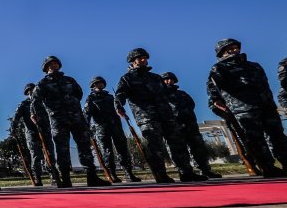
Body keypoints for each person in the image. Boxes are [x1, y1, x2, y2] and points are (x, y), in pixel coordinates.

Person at [116, 48, 206, 183]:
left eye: (145, 58)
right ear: (132, 61)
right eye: (139, 58)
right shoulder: (127, 78)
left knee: (178, 144)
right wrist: (119, 106)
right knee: (155, 146)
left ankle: (186, 172)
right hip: (147, 116)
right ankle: (161, 175)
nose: (143, 60)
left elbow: (168, 94)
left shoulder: (155, 77)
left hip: (166, 115)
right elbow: (120, 94)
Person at [207, 39, 287, 178]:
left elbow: (265, 85)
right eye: (229, 49)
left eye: (235, 47)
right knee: (256, 140)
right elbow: (214, 93)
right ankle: (268, 168)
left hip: (267, 107)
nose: (234, 50)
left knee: (278, 136)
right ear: (221, 52)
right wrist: (223, 109)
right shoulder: (219, 68)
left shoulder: (254, 66)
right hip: (244, 110)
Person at [31, 56, 111, 188]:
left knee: (84, 146)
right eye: (50, 64)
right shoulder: (42, 84)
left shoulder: (69, 80)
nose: (53, 65)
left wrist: (71, 104)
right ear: (46, 68)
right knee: (62, 148)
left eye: (55, 63)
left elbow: (78, 94)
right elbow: (36, 101)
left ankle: (92, 177)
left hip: (76, 117)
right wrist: (36, 114)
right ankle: (66, 179)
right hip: (58, 119)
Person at [161, 72, 222, 179]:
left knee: (199, 148)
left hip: (190, 124)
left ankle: (205, 170)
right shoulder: (161, 96)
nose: (169, 81)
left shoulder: (182, 94)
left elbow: (191, 104)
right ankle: (185, 172)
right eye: (166, 79)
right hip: (174, 126)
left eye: (171, 79)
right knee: (179, 150)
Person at [83, 76, 140, 183]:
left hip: (116, 126)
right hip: (101, 128)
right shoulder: (91, 98)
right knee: (106, 151)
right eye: (96, 84)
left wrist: (123, 113)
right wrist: (87, 127)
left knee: (122, 149)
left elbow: (119, 109)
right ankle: (112, 173)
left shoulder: (111, 97)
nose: (99, 85)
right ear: (93, 86)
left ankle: (128, 172)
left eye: (101, 83)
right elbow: (87, 114)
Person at [11, 83, 58, 186]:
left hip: (45, 130)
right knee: (36, 155)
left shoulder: (43, 102)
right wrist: (13, 128)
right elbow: (16, 117)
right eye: (29, 91)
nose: (31, 92)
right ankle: (37, 177)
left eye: (32, 90)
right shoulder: (23, 104)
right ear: (27, 93)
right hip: (31, 133)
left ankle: (53, 176)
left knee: (50, 153)